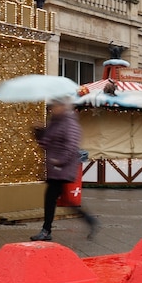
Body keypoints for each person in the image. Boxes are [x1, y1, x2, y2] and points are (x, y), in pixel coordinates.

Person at [30, 99, 98, 242]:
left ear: (62, 106)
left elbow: (72, 146)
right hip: (55, 169)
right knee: (64, 200)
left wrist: (59, 161)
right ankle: (90, 220)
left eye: (54, 106)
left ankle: (46, 231)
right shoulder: (55, 122)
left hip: (62, 168)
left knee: (50, 198)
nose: (51, 109)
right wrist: (38, 132)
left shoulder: (70, 123)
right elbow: (45, 143)